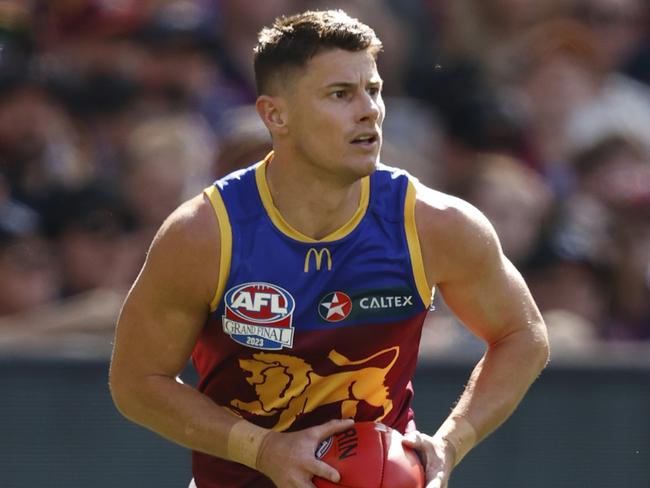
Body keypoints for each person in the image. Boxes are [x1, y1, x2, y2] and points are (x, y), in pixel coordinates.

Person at [109, 9, 549, 488]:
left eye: (374, 90)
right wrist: (264, 449)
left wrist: (450, 441)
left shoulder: (434, 224)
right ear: (275, 115)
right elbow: (137, 383)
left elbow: (522, 335)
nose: (370, 111)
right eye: (341, 94)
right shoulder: (205, 234)